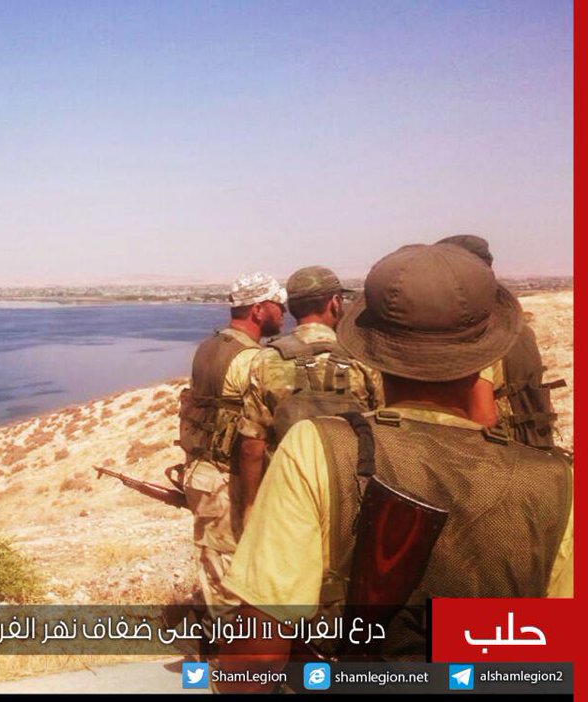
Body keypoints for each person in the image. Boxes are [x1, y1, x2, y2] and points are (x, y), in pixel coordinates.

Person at [215, 244, 573, 691]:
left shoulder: (317, 448)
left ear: (374, 347)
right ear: (489, 356)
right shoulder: (559, 483)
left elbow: (257, 652)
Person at [235, 266, 381, 522]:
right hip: (353, 494)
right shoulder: (362, 358)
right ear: (335, 303)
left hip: (289, 495)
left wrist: (250, 506)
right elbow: (385, 428)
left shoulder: (265, 360)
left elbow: (252, 444)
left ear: (292, 307)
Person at [177, 272, 285, 608]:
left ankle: (220, 646)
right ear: (258, 310)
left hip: (202, 473)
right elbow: (255, 438)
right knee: (229, 577)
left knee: (215, 565)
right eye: (278, 305)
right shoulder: (254, 360)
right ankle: (227, 654)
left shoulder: (209, 347)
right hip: (228, 481)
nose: (284, 312)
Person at [437, 235, 562, 450]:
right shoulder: (514, 324)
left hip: (499, 460)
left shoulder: (481, 333)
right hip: (534, 450)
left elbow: (482, 417)